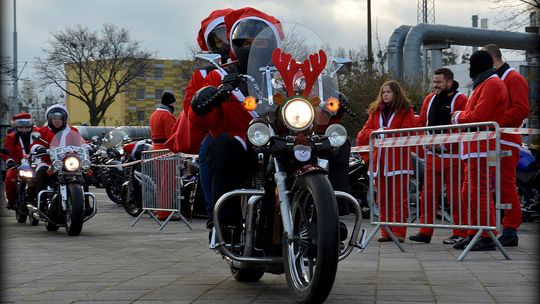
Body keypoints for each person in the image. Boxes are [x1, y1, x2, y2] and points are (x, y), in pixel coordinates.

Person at [165, 8, 234, 221]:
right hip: (222, 127)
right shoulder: (205, 71)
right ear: (211, 43)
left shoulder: (261, 63)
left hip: (259, 127)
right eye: (219, 38)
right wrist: (204, 100)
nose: (225, 43)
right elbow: (189, 105)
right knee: (208, 150)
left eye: (229, 36)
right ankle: (216, 213)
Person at [451, 50, 507, 251]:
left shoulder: (492, 83)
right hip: (475, 146)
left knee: (479, 191)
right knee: (469, 191)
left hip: (483, 147)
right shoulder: (484, 83)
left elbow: (479, 116)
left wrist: (458, 116)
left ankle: (486, 234)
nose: (469, 68)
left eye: (472, 64)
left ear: (480, 65)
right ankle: (474, 231)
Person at [408, 68, 469, 245]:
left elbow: (465, 126)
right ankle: (425, 231)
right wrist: (425, 141)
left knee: (455, 196)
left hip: (453, 157)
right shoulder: (429, 99)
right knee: (427, 195)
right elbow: (421, 123)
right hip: (431, 156)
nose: (435, 85)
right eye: (434, 82)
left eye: (439, 82)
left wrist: (445, 143)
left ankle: (460, 231)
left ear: (449, 82)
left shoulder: (461, 99)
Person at [483, 44, 530, 247]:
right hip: (495, 138)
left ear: (491, 59)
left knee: (505, 183)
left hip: (506, 139)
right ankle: (501, 226)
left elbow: (521, 109)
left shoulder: (513, 78)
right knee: (495, 183)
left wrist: (494, 120)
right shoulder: (496, 79)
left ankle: (510, 228)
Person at [356, 80, 415, 243]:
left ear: (396, 93)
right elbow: (363, 133)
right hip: (380, 162)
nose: (385, 95)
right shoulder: (375, 111)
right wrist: (378, 131)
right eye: (383, 92)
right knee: (382, 198)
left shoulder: (405, 110)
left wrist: (385, 132)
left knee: (399, 197)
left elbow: (407, 132)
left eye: (388, 92)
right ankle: (385, 230)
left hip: (398, 162)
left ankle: (399, 231)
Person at [32, 104, 80, 207]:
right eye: (54, 118)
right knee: (41, 173)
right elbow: (34, 144)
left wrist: (89, 147)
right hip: (48, 162)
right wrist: (38, 148)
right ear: (49, 119)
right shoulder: (41, 132)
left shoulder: (73, 131)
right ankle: (41, 202)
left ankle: (85, 203)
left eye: (60, 118)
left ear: (64, 119)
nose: (57, 121)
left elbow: (81, 143)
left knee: (84, 174)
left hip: (69, 162)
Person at [149, 92, 177, 221]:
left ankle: (161, 210)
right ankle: (165, 213)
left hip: (155, 150)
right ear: (170, 103)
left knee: (160, 182)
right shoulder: (167, 116)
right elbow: (172, 136)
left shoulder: (154, 115)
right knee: (168, 182)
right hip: (166, 151)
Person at [1, 113, 36, 209]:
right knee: (10, 177)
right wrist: (9, 161)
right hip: (18, 165)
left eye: (27, 127)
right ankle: (11, 200)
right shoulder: (11, 137)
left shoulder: (37, 135)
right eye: (22, 127)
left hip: (36, 164)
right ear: (17, 127)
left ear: (31, 126)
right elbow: (5, 151)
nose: (25, 129)